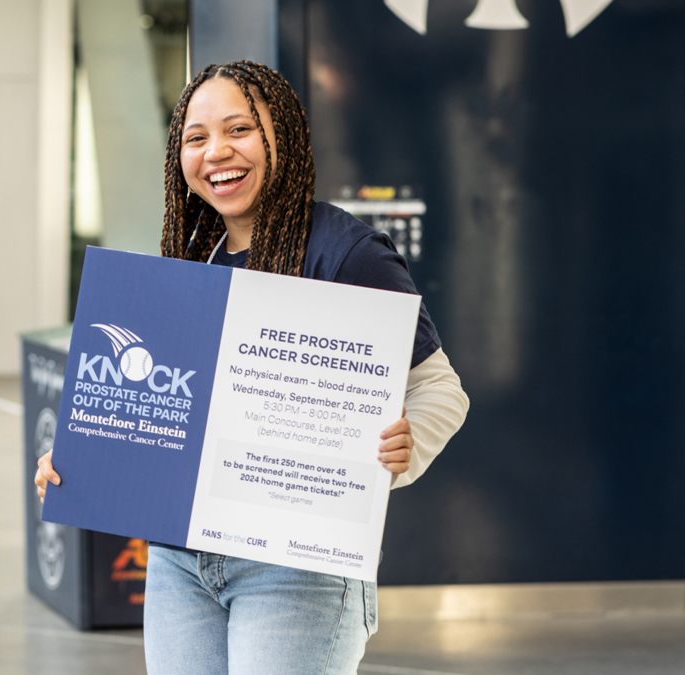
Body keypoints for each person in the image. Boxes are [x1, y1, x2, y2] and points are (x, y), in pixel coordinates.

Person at [35, 61, 470, 675]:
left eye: (238, 129)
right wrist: (86, 457)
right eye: (196, 138)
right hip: (180, 564)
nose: (217, 152)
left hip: (296, 568)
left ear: (281, 137)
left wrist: (407, 443)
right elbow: (168, 408)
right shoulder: (192, 257)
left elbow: (439, 389)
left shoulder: (347, 253)